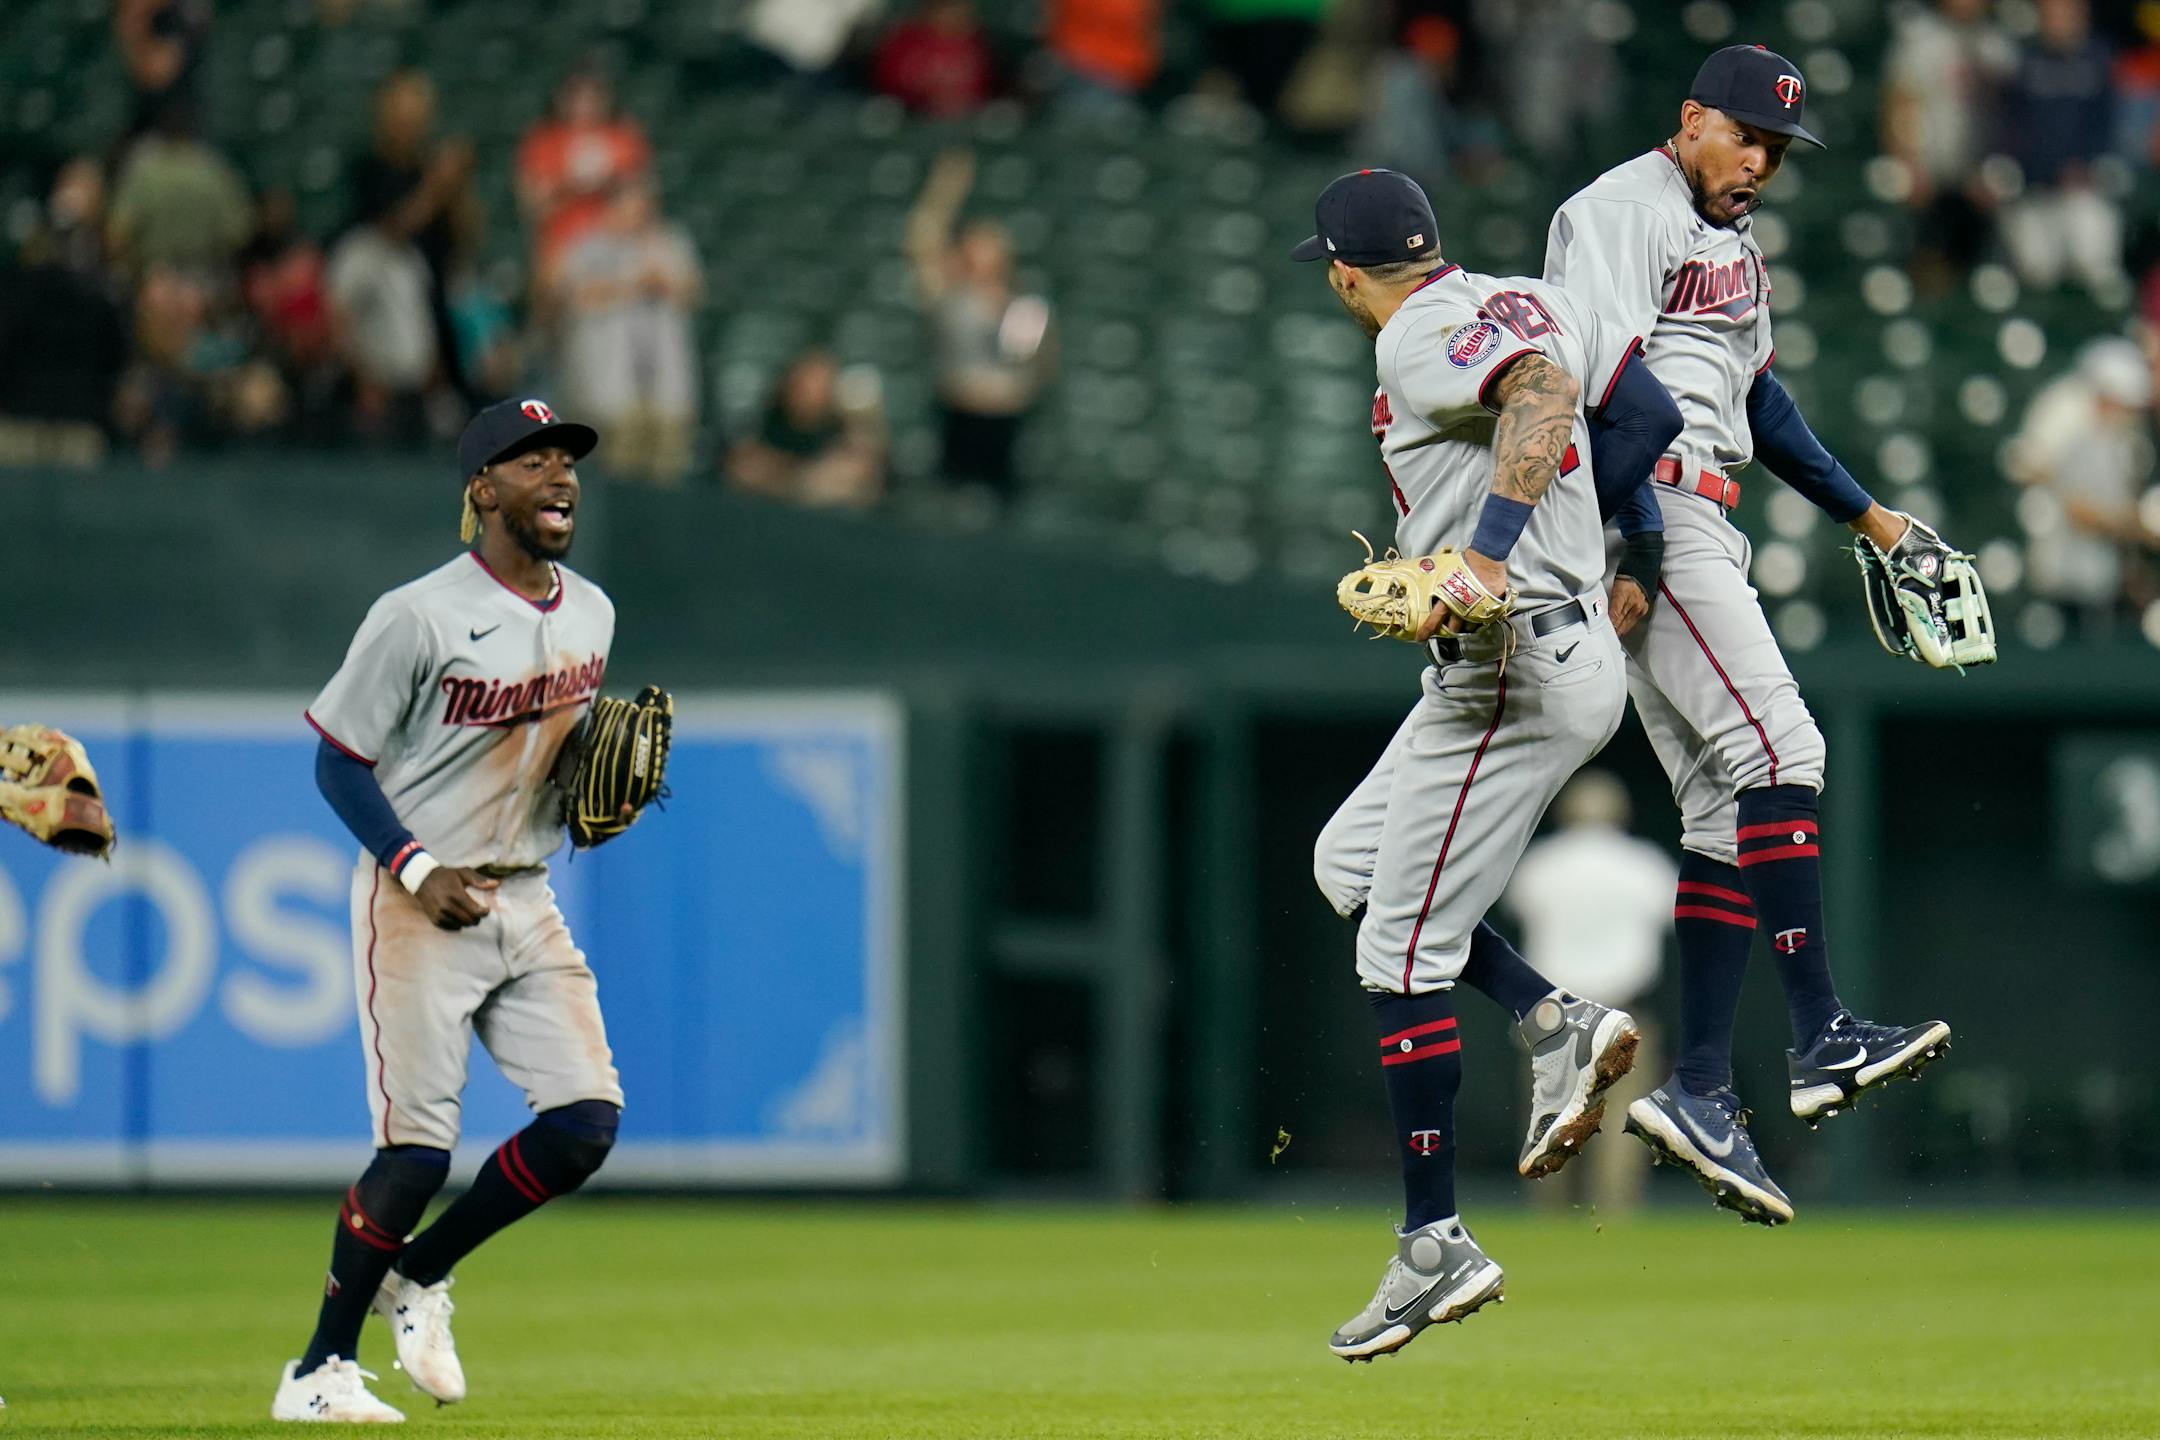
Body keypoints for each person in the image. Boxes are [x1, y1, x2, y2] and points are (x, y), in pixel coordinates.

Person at [1501, 46, 1958, 1227]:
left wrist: (1870, 515)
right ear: (1690, 117)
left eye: (1776, 147)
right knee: (1786, 752)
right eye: (1742, 134)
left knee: (1720, 809)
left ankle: (1700, 1085)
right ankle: (1822, 1035)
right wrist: (1638, 549)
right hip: (1655, 510)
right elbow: (1605, 389)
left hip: (1706, 507)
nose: (1759, 158)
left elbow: (1760, 399)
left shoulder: (1732, 243)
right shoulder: (1614, 212)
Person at [1296, 168, 1662, 1361]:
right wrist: (1635, 548)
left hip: (1506, 657)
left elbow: (1544, 394)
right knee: (1347, 864)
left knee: (1397, 953)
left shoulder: (1412, 333)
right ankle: (1551, 1016)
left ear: (1347, 271)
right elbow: (1639, 412)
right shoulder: (1528, 293)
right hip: (1558, 644)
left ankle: (1433, 1241)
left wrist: (1494, 555)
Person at [272, 398, 627, 1422]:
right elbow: (338, 761)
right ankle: (318, 1374)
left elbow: (559, 765)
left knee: (583, 1126)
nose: (558, 476)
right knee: (417, 1152)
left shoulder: (593, 611)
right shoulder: (416, 613)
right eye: (530, 461)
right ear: (482, 490)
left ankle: (416, 1272)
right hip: (420, 898)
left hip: (525, 890)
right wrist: (415, 865)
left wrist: (598, 799)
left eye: (566, 459)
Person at [1502, 770, 1678, 1217]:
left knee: (1551, 1120)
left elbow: (1518, 910)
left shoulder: (1541, 863)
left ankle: (1552, 1225)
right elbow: (1669, 919)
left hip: (1553, 1012)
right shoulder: (1645, 864)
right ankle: (1612, 1222)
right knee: (1619, 1123)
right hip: (1621, 1005)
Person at [906, 151, 1055, 504]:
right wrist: (947, 186)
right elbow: (921, 238)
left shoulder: (1023, 305)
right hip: (959, 413)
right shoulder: (951, 295)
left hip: (1005, 419)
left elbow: (1041, 364)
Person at [552, 180, 702, 485]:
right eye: (633, 205)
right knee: (618, 474)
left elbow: (692, 292)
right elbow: (576, 295)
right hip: (611, 385)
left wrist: (663, 281)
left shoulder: (668, 243)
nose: (641, 214)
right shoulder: (588, 247)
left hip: (663, 385)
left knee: (667, 473)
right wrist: (632, 283)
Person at [349, 70, 480, 405]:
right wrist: (438, 184)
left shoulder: (426, 166)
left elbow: (467, 240)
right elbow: (393, 231)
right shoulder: (370, 166)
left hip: (439, 289)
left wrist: (459, 187)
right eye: (403, 115)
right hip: (385, 297)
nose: (410, 124)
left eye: (417, 115)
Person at [2009, 336, 2157, 633]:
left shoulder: (2128, 438)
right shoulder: (2065, 411)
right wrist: (2131, 524)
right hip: (2056, 557)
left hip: (2103, 569)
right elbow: (2031, 470)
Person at [1879, 0, 2015, 287]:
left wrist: (1994, 168)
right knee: (1930, 257)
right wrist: (1909, 163)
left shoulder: (1997, 45)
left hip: (1981, 173)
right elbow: (1900, 103)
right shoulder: (1920, 39)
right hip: (1931, 169)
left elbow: (2011, 116)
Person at [1999, 0, 2122, 295]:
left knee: (2092, 260)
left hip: (2085, 187)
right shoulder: (2025, 61)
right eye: (2050, 13)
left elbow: (2107, 123)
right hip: (2034, 189)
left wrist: (2088, 163)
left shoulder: (2099, 59)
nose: (2057, 21)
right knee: (2036, 269)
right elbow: (2010, 126)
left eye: (2065, 12)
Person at [515, 69, 653, 292]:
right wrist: (574, 185)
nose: (585, 105)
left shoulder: (624, 137)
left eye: (593, 97)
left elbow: (644, 201)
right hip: (564, 244)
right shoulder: (543, 141)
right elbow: (534, 206)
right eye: (578, 96)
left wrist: (608, 182)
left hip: (619, 243)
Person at [725, 347, 887, 508]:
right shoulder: (763, 423)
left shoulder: (842, 435)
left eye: (818, 382)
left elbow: (852, 481)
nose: (807, 389)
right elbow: (744, 470)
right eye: (802, 380)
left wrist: (785, 477)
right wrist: (802, 479)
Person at [872, 0, 998, 117]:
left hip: (965, 116)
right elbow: (888, 82)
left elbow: (984, 86)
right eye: (948, 13)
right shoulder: (906, 43)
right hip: (912, 115)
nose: (953, 18)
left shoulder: (974, 46)